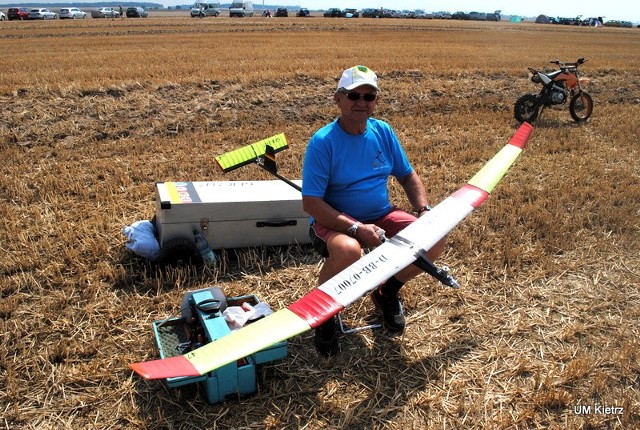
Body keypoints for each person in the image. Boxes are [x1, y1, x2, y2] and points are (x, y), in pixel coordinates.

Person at [301, 65, 446, 357]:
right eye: (353, 95)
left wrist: (423, 209)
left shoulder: (383, 132)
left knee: (436, 236)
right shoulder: (322, 142)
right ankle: (324, 314)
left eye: (369, 96)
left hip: (381, 213)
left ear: (376, 101)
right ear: (337, 99)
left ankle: (386, 293)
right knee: (349, 251)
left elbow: (407, 175)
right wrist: (356, 228)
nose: (361, 102)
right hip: (335, 220)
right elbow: (312, 203)